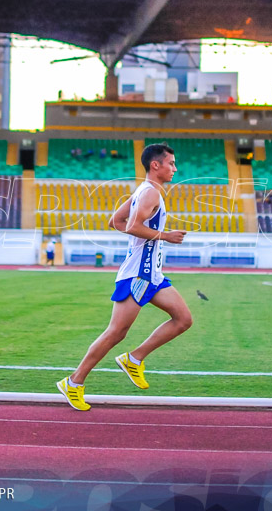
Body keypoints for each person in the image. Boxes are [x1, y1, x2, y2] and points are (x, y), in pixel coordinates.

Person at [56, 143, 190, 411]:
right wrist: (165, 236)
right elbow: (130, 225)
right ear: (156, 165)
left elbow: (115, 221)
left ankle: (135, 359)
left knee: (183, 319)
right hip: (138, 276)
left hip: (152, 274)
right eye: (171, 163)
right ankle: (74, 382)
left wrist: (149, 241)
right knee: (116, 332)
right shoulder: (150, 193)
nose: (175, 168)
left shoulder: (144, 190)